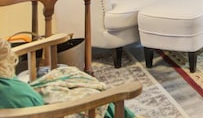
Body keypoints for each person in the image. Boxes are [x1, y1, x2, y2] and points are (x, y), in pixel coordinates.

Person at [0, 37, 135, 118]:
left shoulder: (10, 90)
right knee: (101, 100)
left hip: (36, 101)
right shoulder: (10, 93)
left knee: (68, 73)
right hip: (46, 112)